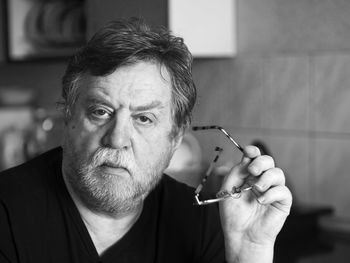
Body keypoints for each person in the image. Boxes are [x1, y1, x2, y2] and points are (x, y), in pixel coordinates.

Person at [0, 18, 292, 263]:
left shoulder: (200, 224)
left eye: (144, 118)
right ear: (68, 118)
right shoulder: (7, 214)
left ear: (176, 136)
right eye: (100, 112)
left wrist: (249, 253)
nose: (117, 139)